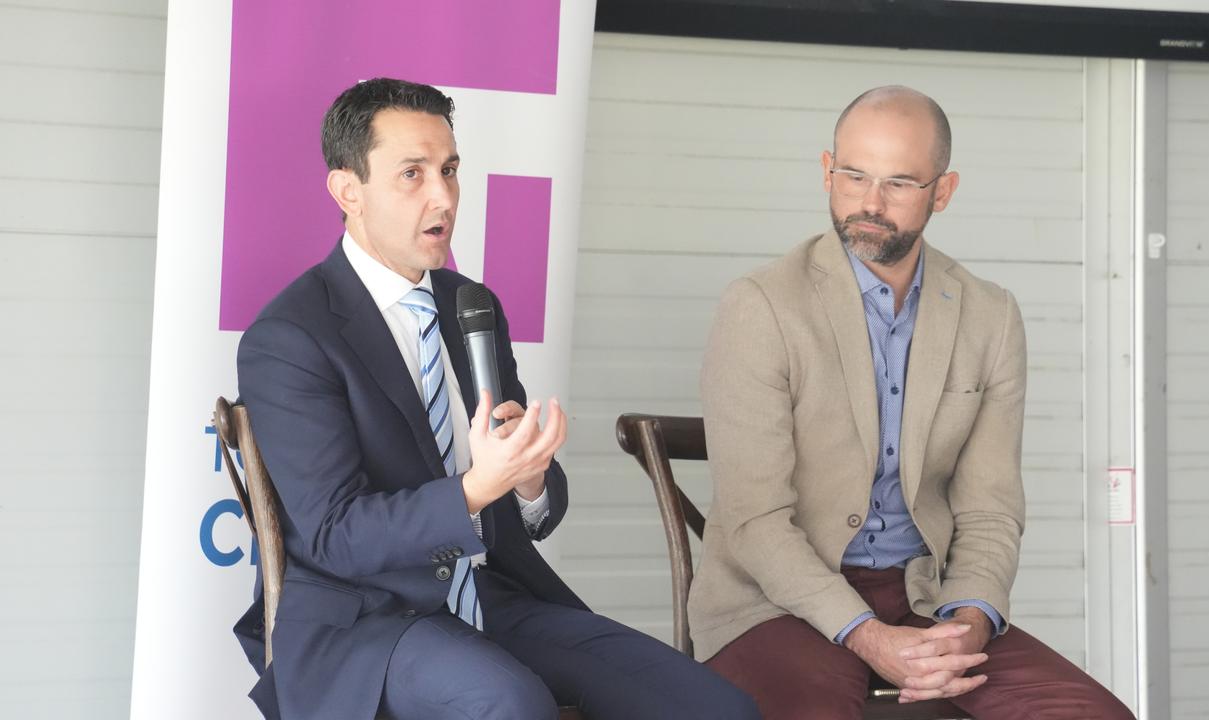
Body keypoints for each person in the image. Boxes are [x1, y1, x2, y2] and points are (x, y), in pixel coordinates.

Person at [233, 77, 759, 720]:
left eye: (450, 170)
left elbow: (531, 505)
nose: (443, 196)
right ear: (349, 190)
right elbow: (338, 535)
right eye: (412, 174)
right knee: (511, 704)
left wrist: (530, 480)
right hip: (366, 622)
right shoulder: (291, 337)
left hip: (491, 592)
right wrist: (479, 488)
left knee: (714, 706)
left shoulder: (468, 304)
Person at [687, 86, 1135, 720]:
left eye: (899, 183)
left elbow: (990, 509)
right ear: (826, 171)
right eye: (853, 176)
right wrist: (868, 635)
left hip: (924, 598)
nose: (870, 203)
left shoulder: (991, 316)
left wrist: (970, 619)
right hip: (774, 604)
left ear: (942, 192)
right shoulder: (760, 307)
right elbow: (754, 520)